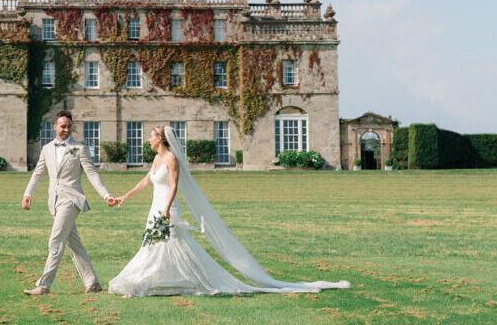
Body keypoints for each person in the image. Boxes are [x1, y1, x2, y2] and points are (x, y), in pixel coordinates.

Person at [108, 126, 350, 297]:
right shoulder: (157, 159)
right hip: (155, 208)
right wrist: (124, 197)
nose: (147, 141)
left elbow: (173, 186)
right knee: (157, 245)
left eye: (151, 137)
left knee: (167, 244)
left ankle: (150, 282)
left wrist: (167, 210)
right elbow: (146, 181)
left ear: (160, 139)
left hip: (166, 208)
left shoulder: (171, 158)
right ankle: (159, 281)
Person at [21, 110, 117, 295]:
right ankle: (93, 282)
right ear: (55, 127)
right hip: (54, 202)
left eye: (69, 126)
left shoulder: (79, 148)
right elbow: (38, 173)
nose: (66, 129)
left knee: (56, 240)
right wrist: (28, 193)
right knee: (73, 243)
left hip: (72, 200)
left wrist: (106, 195)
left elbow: (92, 174)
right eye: (63, 126)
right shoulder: (47, 149)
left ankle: (43, 285)